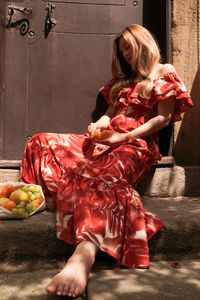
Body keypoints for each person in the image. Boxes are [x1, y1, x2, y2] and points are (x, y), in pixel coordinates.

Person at [20, 24, 193, 298]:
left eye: (128, 46)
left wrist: (122, 138)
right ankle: (45, 197)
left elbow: (162, 118)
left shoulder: (164, 71)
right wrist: (97, 126)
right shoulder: (125, 81)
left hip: (135, 145)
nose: (125, 54)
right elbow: (108, 115)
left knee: (103, 177)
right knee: (40, 141)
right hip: (106, 140)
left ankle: (83, 255)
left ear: (142, 42)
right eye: (121, 50)